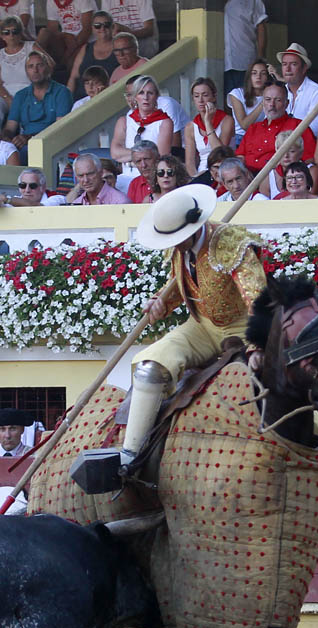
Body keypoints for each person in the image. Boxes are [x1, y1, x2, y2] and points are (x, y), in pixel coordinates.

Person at [121, 184, 264, 472]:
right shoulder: (179, 249)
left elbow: (258, 296)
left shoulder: (231, 242)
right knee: (151, 367)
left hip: (245, 327)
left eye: (177, 238)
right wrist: (160, 303)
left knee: (273, 378)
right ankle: (131, 455)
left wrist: (259, 344)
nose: (173, 244)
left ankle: (311, 439)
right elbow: (182, 284)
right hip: (200, 327)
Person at [236, 79, 314, 174]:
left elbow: (309, 160)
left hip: (279, 179)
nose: (272, 105)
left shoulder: (299, 126)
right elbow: (240, 157)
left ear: (287, 104)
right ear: (263, 103)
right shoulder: (253, 128)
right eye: (268, 99)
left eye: (278, 100)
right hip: (248, 180)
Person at [3, 52, 72, 150]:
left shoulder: (62, 92)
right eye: (30, 66)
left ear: (48, 68)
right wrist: (6, 139)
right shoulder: (20, 95)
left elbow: (59, 129)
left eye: (40, 65)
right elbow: (10, 128)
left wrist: (30, 138)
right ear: (26, 71)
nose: (35, 70)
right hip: (24, 145)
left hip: (52, 144)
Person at [110, 74, 173, 175]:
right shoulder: (124, 121)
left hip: (152, 178)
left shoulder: (164, 122)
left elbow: (160, 157)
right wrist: (146, 156)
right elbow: (115, 153)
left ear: (156, 96)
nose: (146, 97)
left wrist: (129, 157)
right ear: (135, 96)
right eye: (141, 93)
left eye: (150, 93)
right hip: (126, 176)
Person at [184, 77, 235, 177]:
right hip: (201, 174)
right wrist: (196, 178)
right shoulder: (191, 127)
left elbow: (220, 154)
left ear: (214, 96)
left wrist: (208, 122)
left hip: (225, 170)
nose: (201, 100)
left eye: (205, 95)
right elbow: (189, 163)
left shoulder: (227, 120)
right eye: (196, 96)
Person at [0, 165, 66, 218]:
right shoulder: (14, 201)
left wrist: (5, 198)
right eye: (23, 185)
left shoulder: (57, 199)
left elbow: (37, 206)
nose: (27, 190)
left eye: (32, 186)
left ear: (43, 187)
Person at [67, 10, 118, 98]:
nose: (102, 28)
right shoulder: (86, 48)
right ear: (92, 28)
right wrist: (67, 100)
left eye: (106, 25)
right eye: (97, 26)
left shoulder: (119, 48)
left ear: (112, 27)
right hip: (81, 99)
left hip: (108, 98)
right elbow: (73, 77)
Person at [223, 0, 267, 96]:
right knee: (228, 102)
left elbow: (261, 29)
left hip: (245, 61)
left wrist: (260, 57)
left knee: (248, 99)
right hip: (224, 63)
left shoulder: (254, 2)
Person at [0, 16, 32, 115]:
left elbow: (50, 65)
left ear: (21, 33)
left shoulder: (31, 47)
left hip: (29, 92)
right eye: (7, 32)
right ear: (2, 36)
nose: (11, 35)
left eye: (15, 31)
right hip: (6, 95)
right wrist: (8, 99)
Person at [38, 0, 95, 71]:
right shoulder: (51, 1)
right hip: (65, 40)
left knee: (71, 65)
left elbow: (87, 30)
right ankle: (37, 66)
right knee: (44, 33)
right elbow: (52, 29)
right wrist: (64, 36)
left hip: (85, 42)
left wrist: (67, 54)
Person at [228, 58, 268, 149]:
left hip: (263, 138)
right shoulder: (237, 93)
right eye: (254, 73)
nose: (258, 77)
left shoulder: (271, 95)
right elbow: (244, 125)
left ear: (267, 77)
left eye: (263, 73)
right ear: (249, 76)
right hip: (240, 139)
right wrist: (263, 103)